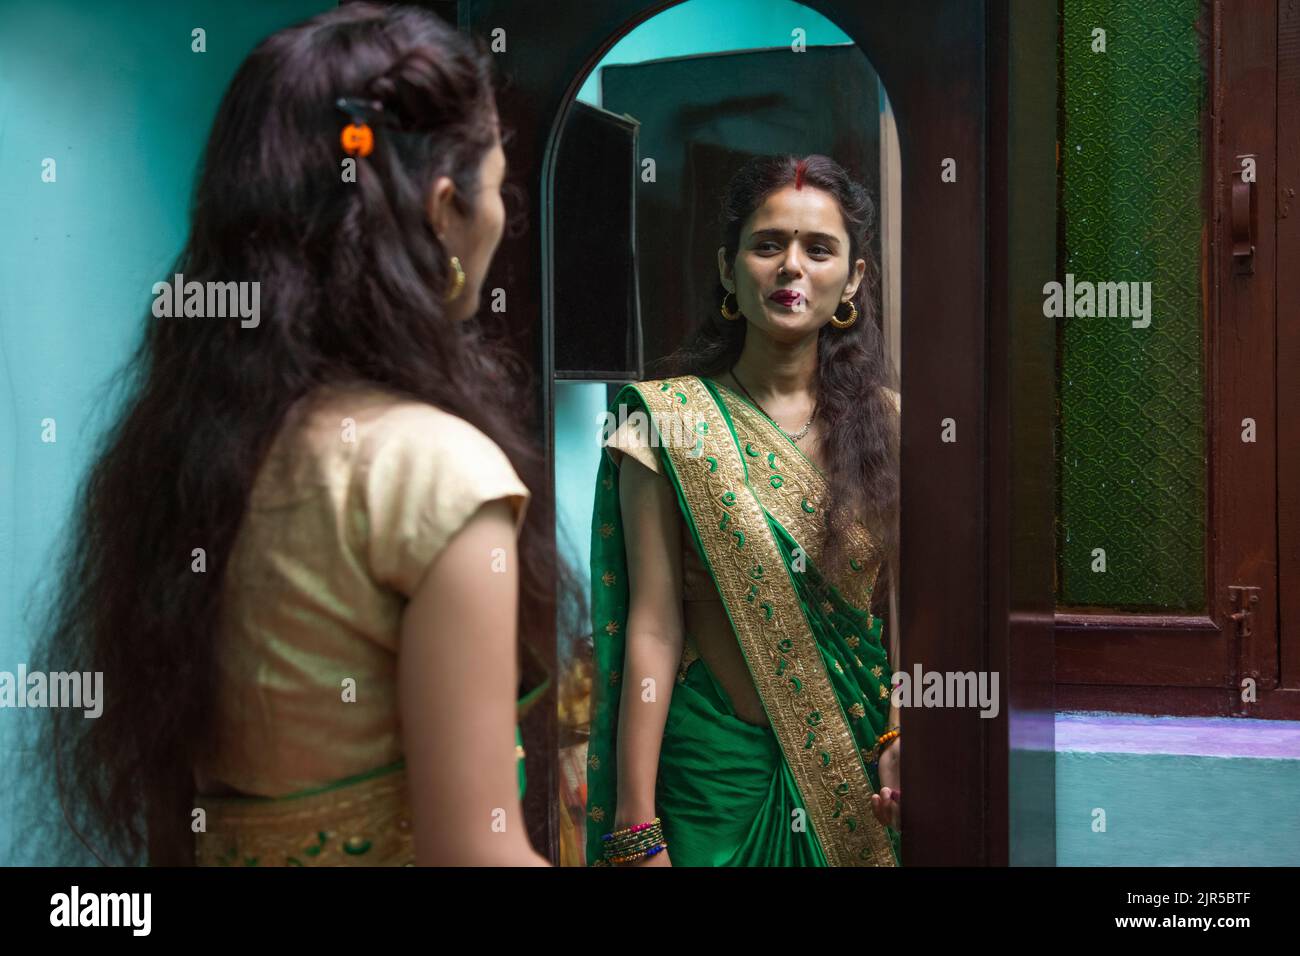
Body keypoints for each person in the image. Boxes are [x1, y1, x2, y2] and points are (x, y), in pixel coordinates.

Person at [31, 3, 553, 866]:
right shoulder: (436, 475)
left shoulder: (184, 454)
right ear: (445, 207)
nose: (503, 217)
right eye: (501, 186)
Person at [586, 154, 902, 867]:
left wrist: (902, 736)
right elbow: (655, 625)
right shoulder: (662, 420)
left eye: (819, 249)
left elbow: (918, 616)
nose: (792, 266)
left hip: (855, 771)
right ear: (729, 269)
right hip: (710, 777)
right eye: (768, 245)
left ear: (853, 279)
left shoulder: (896, 428)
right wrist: (636, 826)